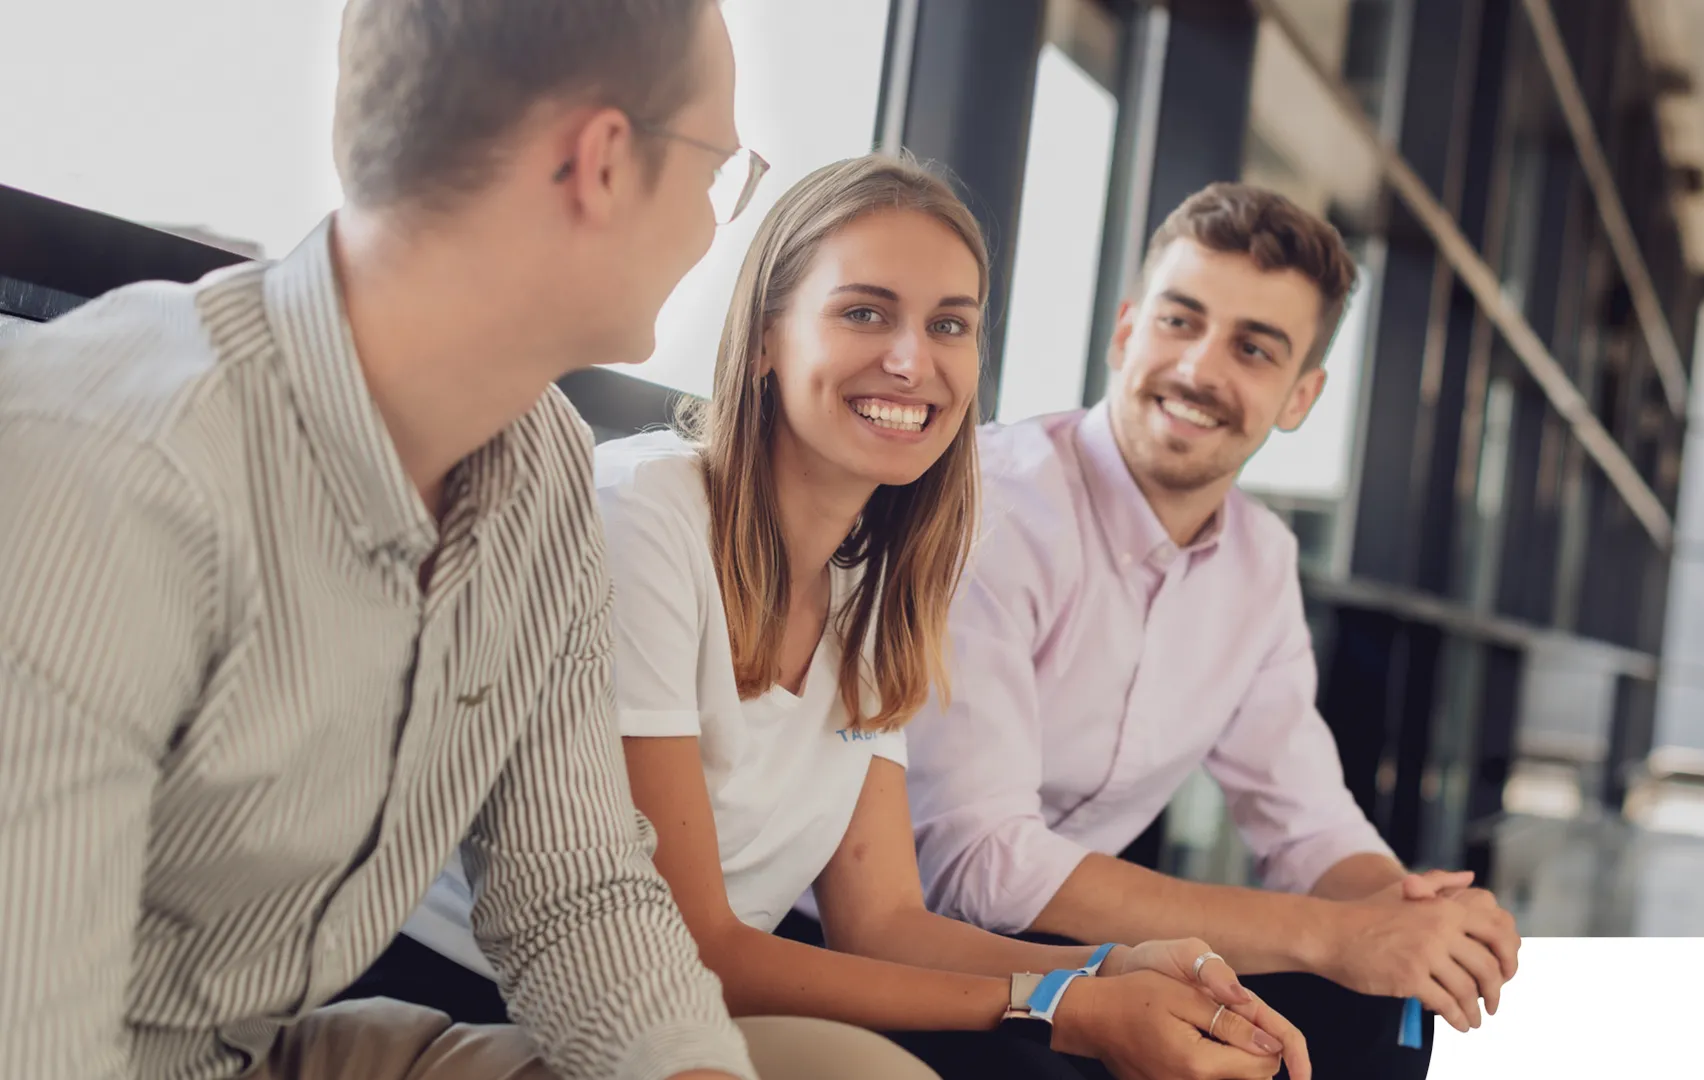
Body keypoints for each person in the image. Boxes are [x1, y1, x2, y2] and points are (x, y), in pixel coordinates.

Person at [0, 1, 906, 1077]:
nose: (718, 226)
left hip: (267, 1047)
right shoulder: (114, 463)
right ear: (603, 164)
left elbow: (575, 897)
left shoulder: (543, 473)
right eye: (719, 171)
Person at [377, 153, 1313, 1080]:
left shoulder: (870, 593)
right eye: (864, 312)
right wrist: (1058, 1003)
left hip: (666, 1019)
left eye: (950, 324)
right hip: (472, 999)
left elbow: (883, 922)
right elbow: (685, 943)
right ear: (764, 342)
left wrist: (1113, 970)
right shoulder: (642, 522)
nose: (912, 361)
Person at [897, 182, 1525, 1079]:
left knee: (1377, 1015)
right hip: (907, 948)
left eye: (1254, 349)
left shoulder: (1259, 560)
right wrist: (1333, 934)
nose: (1199, 369)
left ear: (1300, 396)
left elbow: (1304, 822)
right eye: (1179, 322)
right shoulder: (998, 508)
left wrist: (1410, 913)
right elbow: (980, 865)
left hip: (1079, 950)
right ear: (1125, 332)